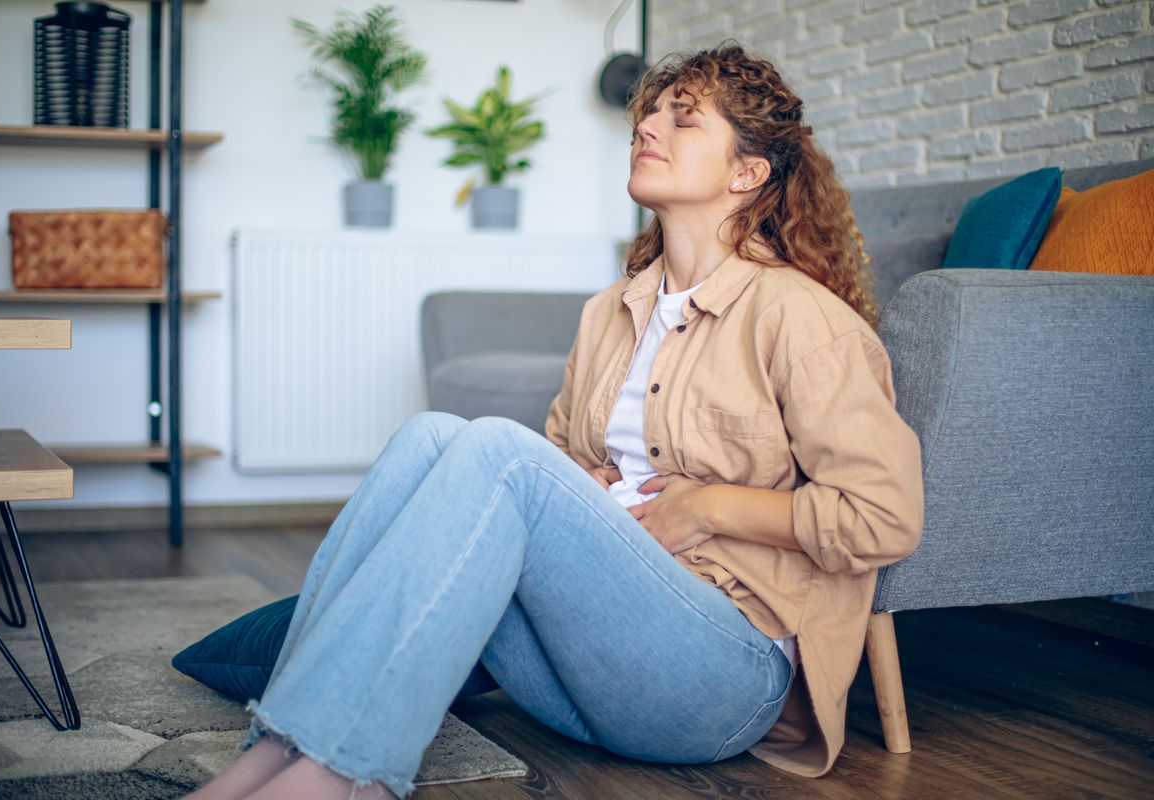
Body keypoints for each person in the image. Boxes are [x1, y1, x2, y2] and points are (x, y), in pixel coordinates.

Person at [184, 42, 924, 800]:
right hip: (580, 671)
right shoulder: (610, 311)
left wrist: (702, 506)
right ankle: (276, 755)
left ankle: (336, 776)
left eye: (684, 119)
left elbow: (884, 518)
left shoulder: (800, 318)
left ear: (747, 173)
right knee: (430, 436)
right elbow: (562, 466)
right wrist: (582, 484)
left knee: (498, 450)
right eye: (649, 116)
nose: (649, 129)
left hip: (718, 679)